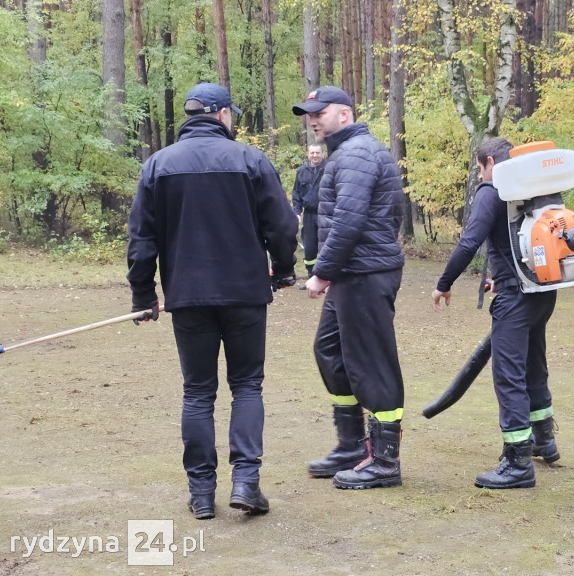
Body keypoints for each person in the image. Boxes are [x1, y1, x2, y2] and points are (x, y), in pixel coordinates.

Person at [127, 82, 299, 519]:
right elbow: (281, 226)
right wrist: (283, 270)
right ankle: (245, 481)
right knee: (246, 385)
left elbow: (141, 239)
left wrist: (143, 294)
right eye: (233, 114)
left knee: (198, 392)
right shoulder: (250, 160)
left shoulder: (157, 165)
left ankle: (202, 492)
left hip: (188, 296)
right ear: (222, 115)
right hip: (244, 294)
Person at [292, 86, 407, 489]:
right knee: (330, 351)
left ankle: (385, 461)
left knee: (372, 364)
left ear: (344, 114)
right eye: (309, 114)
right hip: (353, 272)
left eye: (319, 112)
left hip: (364, 273)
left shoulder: (357, 154)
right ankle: (352, 445)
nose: (312, 119)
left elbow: (349, 221)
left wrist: (322, 272)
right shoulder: (345, 154)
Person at [431, 137, 560, 490]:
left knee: (508, 376)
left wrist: (443, 283)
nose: (479, 173)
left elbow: (469, 242)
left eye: (479, 167)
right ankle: (544, 440)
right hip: (542, 292)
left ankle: (518, 462)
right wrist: (495, 277)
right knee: (534, 365)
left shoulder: (492, 191)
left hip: (515, 300)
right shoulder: (533, 190)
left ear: (488, 162)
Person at [291, 144, 326, 284]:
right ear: (308, 154)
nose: (315, 155)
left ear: (322, 154)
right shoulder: (301, 171)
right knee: (310, 248)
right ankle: (312, 277)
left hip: (326, 214)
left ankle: (326, 279)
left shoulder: (329, 169)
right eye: (312, 153)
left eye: (318, 153)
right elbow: (296, 194)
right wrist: (297, 212)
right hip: (309, 215)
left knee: (326, 246)